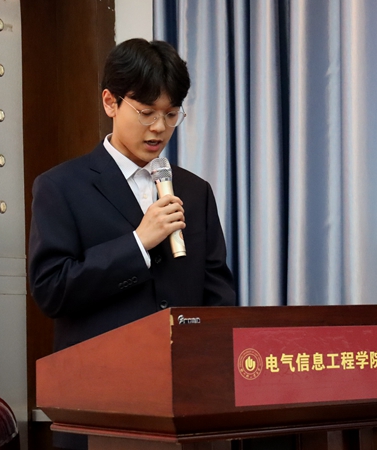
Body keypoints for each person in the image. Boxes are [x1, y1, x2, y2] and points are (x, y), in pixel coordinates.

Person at [28, 38, 237, 450]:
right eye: (146, 113)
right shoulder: (60, 186)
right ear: (110, 102)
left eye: (171, 114)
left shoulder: (195, 191)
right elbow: (51, 290)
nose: (159, 127)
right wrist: (139, 243)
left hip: (186, 410)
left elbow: (218, 296)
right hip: (100, 408)